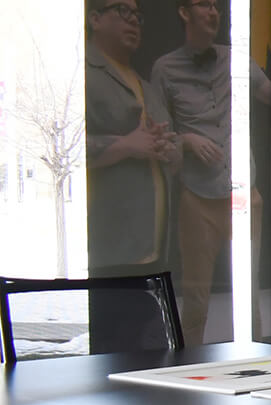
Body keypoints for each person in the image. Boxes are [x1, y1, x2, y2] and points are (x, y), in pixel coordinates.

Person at [152, 0, 271, 343]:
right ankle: (189, 368)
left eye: (217, 7)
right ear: (183, 12)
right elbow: (160, 135)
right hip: (198, 196)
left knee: (249, 289)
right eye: (204, 5)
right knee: (195, 298)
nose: (213, 13)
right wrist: (187, 139)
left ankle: (259, 363)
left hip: (242, 194)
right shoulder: (165, 68)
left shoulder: (236, 58)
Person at [84, 0, 181, 351]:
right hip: (109, 252)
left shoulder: (145, 84)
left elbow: (170, 142)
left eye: (137, 15)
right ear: (95, 18)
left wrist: (170, 151)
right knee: (110, 357)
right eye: (122, 12)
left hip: (153, 252)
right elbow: (60, 146)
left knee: (148, 356)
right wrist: (126, 146)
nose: (134, 22)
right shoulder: (82, 74)